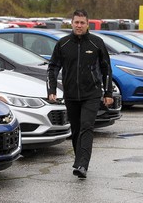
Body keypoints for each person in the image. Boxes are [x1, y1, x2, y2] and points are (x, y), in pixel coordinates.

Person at [47, 9, 114, 179]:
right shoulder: (63, 44)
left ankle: (83, 165)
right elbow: (53, 67)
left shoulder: (96, 43)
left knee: (86, 126)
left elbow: (107, 69)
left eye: (82, 23)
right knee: (76, 130)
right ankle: (79, 161)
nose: (79, 25)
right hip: (70, 94)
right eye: (76, 22)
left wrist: (108, 93)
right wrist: (52, 90)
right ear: (71, 23)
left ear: (87, 24)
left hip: (91, 93)